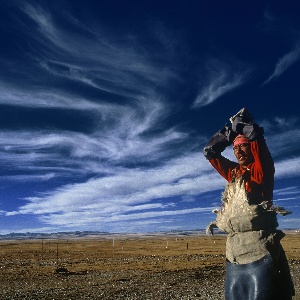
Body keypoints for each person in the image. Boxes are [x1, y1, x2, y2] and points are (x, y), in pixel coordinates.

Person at [203, 108, 294, 300]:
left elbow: (255, 138)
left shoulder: (261, 170)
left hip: (259, 251)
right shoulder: (234, 173)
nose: (237, 151)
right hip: (234, 253)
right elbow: (210, 153)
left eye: (242, 146)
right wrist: (229, 135)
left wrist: (243, 127)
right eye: (235, 148)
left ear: (251, 147)